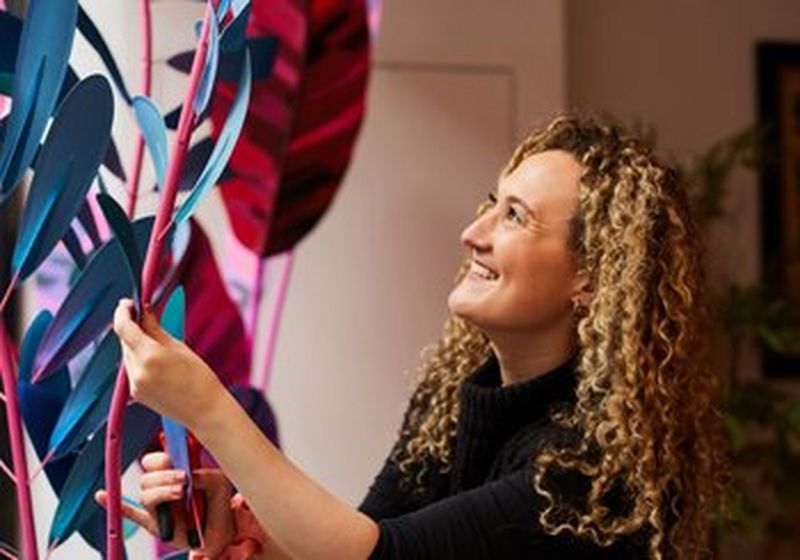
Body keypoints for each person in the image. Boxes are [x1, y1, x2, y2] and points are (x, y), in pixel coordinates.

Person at [97, 115, 729, 559]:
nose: (473, 232)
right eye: (491, 202)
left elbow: (381, 557)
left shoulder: (590, 467)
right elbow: (368, 536)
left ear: (591, 280)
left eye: (514, 217)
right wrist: (248, 528)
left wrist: (207, 408)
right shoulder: (452, 404)